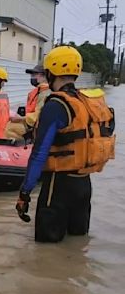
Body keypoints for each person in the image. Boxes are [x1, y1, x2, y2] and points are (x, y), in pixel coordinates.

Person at [15, 46, 115, 242]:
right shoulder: (88, 102)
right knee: (77, 244)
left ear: (51, 73)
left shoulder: (56, 106)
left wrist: (25, 192)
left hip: (58, 185)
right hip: (84, 185)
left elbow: (39, 153)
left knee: (46, 251)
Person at [6, 65, 50, 140]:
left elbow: (37, 116)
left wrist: (20, 119)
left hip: (35, 128)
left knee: (9, 129)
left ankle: (27, 145)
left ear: (43, 76)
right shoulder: (38, 91)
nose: (32, 78)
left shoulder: (45, 93)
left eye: (34, 75)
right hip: (30, 124)